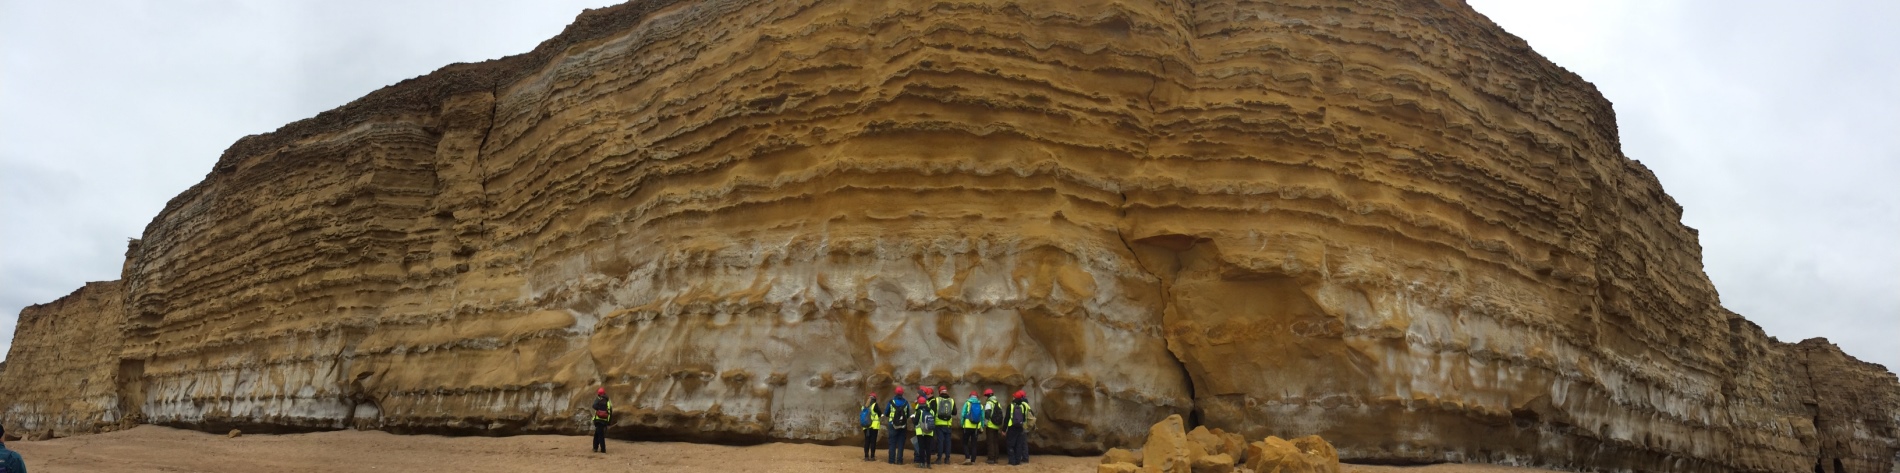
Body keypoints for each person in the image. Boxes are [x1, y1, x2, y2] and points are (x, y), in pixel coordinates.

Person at [1006, 390, 1034, 465]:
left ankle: (1013, 461)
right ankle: (1018, 460)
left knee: (1011, 444)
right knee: (1019, 444)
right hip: (1022, 427)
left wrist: (1004, 429)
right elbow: (1029, 415)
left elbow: (1007, 418)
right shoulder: (1024, 405)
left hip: (1012, 427)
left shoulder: (1011, 405)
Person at [886, 386, 910, 465]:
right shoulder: (906, 403)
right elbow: (908, 414)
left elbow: (886, 413)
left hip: (892, 424)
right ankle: (899, 460)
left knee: (892, 442)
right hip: (903, 425)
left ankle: (891, 460)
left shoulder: (891, 402)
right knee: (901, 443)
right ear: (902, 393)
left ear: (895, 393)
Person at [959, 390, 984, 465]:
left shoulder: (967, 403)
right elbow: (982, 417)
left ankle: (967, 458)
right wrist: (981, 426)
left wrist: (962, 424)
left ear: (970, 396)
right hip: (976, 427)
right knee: (974, 444)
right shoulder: (980, 405)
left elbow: (963, 414)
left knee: (964, 442)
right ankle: (973, 460)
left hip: (967, 426)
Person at [982, 389, 1004, 464]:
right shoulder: (998, 403)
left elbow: (987, 414)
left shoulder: (989, 403)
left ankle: (991, 458)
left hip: (990, 425)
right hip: (996, 425)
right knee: (995, 442)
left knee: (990, 442)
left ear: (988, 396)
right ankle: (996, 458)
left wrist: (984, 423)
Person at [913, 389, 934, 468]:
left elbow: (915, 422)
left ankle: (922, 463)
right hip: (929, 431)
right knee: (928, 448)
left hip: (920, 431)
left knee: (921, 447)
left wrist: (912, 418)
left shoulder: (919, 411)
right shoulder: (931, 411)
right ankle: (928, 464)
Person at [933, 385, 954, 464]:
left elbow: (933, 411)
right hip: (948, 424)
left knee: (940, 441)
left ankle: (939, 459)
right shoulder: (951, 400)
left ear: (939, 392)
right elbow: (954, 412)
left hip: (939, 424)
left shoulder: (937, 400)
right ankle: (947, 459)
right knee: (948, 441)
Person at [590, 387, 613, 453]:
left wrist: (598, 408)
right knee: (597, 434)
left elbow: (594, 406)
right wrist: (609, 422)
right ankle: (595, 448)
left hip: (598, 419)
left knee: (599, 435)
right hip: (605, 420)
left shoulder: (598, 399)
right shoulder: (608, 401)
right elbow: (610, 411)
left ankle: (602, 449)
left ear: (599, 394)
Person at [861, 392, 881, 461]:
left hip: (866, 426)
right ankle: (872, 456)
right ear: (875, 399)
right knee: (873, 441)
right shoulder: (875, 405)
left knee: (867, 441)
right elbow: (879, 414)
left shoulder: (864, 406)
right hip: (874, 426)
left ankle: (866, 456)